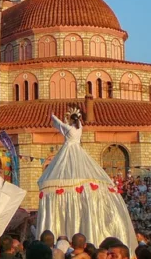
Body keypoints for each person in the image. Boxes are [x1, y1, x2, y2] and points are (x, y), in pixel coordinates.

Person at [36, 107, 137, 250]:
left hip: (69, 151)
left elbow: (59, 125)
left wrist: (53, 116)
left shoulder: (69, 129)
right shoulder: (79, 128)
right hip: (77, 151)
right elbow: (67, 125)